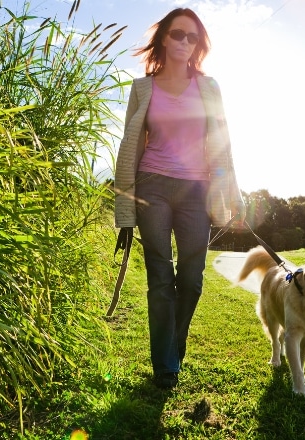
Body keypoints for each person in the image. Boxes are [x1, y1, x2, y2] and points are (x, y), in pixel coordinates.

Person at [113, 7, 245, 390]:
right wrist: (124, 208)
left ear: (198, 44)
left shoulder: (209, 87)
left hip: (196, 191)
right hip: (151, 185)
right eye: (177, 34)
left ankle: (174, 344)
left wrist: (232, 192)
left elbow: (223, 142)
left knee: (191, 278)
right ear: (163, 39)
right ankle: (165, 366)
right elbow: (129, 146)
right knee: (159, 275)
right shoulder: (142, 88)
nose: (184, 42)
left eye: (192, 37)